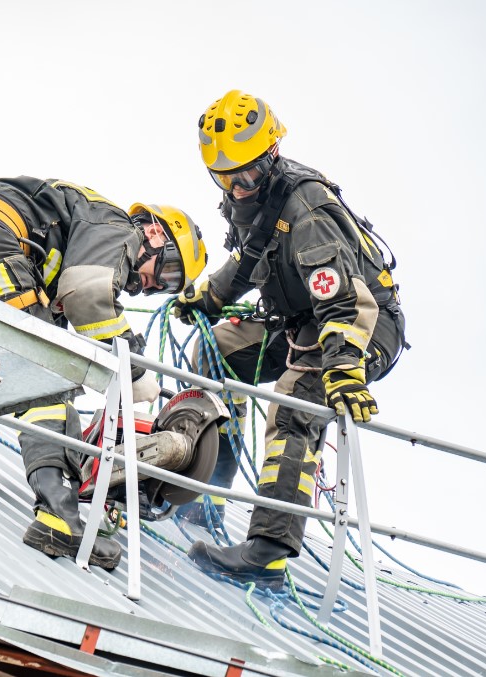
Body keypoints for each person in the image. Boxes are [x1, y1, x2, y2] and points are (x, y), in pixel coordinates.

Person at [0, 177, 207, 569]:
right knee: (48, 378)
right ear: (154, 232)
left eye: (168, 287)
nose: (153, 285)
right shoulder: (115, 227)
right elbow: (89, 295)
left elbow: (37, 326)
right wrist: (134, 368)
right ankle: (58, 520)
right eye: (169, 272)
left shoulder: (68, 240)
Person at [174, 90, 408, 590]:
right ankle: (210, 489)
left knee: (297, 399)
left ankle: (268, 553)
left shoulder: (307, 213)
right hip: (301, 322)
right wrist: (209, 297)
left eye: (248, 176)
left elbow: (345, 303)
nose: (238, 188)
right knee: (217, 350)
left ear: (271, 155)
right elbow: (250, 256)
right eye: (226, 179)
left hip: (360, 324)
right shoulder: (256, 201)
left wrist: (345, 369)